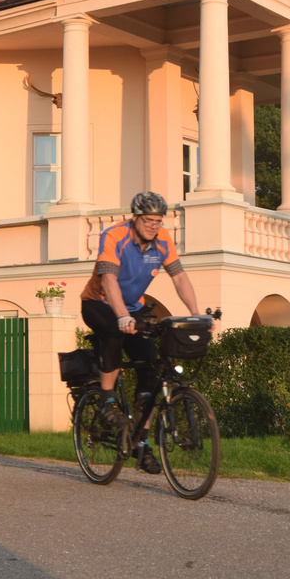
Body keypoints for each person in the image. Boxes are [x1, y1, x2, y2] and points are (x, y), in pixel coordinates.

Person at [80, 192, 210, 471]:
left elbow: (180, 277)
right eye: (149, 220)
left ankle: (142, 445)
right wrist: (122, 315)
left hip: (134, 307)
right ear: (135, 218)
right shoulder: (115, 236)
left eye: (158, 220)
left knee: (153, 369)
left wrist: (196, 312)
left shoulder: (163, 240)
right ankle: (107, 400)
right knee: (116, 332)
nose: (154, 226)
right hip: (98, 303)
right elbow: (109, 279)